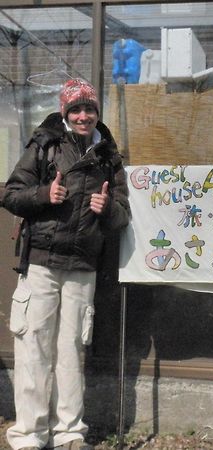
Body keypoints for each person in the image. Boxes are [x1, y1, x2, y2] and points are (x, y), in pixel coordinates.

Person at [3, 78, 130, 450]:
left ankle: (70, 433)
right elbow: (10, 194)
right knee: (33, 350)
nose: (83, 115)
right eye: (76, 108)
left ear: (96, 112)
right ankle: (29, 435)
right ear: (65, 111)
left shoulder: (108, 155)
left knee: (72, 352)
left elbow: (123, 216)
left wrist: (107, 209)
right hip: (41, 262)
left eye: (89, 108)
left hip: (82, 266)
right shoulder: (45, 144)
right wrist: (45, 193)